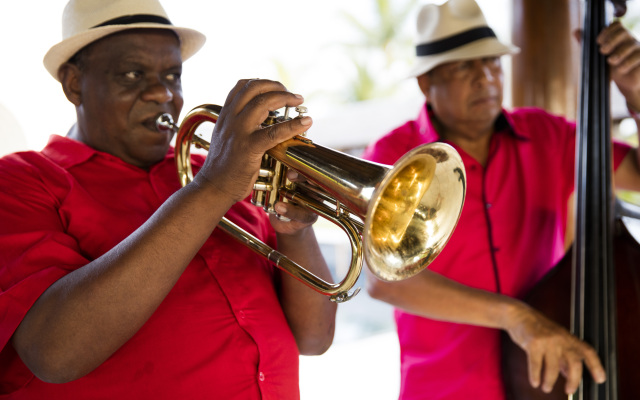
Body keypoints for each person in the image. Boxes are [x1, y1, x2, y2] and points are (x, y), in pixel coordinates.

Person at [0, 0, 337, 398]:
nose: (162, 92)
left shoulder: (213, 170)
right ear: (74, 83)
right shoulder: (22, 181)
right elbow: (54, 353)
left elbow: (314, 338)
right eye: (133, 74)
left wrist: (294, 230)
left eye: (172, 75)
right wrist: (213, 187)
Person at [362, 0, 640, 399]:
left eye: (493, 63)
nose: (485, 79)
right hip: (442, 389)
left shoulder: (546, 134)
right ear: (426, 82)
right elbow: (381, 280)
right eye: (464, 66)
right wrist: (516, 316)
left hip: (544, 387)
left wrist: (637, 93)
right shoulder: (393, 154)